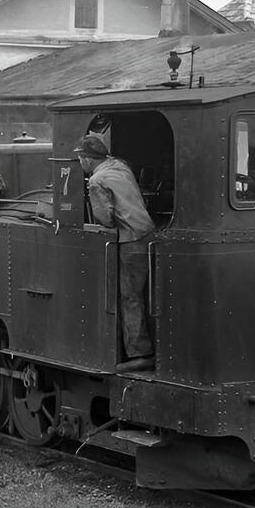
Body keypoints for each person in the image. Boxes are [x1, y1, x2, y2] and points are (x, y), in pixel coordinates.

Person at [74, 133, 156, 372]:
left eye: (80, 158)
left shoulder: (96, 180)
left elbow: (105, 219)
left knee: (130, 297)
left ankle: (141, 353)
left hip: (130, 240)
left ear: (87, 160)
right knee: (144, 295)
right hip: (148, 234)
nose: (80, 162)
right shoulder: (120, 166)